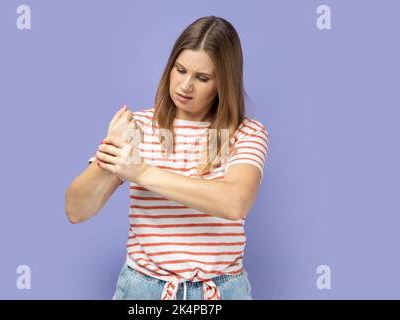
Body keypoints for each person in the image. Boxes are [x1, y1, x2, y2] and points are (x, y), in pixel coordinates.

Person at [65, 16, 269, 300]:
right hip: (144, 290)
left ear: (223, 82)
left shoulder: (246, 133)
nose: (185, 86)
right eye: (180, 69)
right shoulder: (138, 126)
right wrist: (109, 153)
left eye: (202, 78)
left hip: (221, 292)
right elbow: (76, 210)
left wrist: (142, 172)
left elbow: (234, 202)